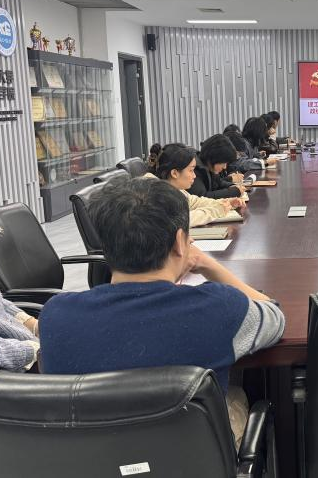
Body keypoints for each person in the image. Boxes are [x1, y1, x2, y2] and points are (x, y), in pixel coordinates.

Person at [39, 178, 285, 447]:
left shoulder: (54, 317)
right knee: (238, 394)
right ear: (181, 241)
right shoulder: (220, 307)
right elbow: (274, 315)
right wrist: (208, 265)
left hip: (92, 458)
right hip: (190, 457)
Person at [146, 143, 243, 226]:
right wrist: (217, 210)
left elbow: (194, 202)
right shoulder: (152, 192)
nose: (194, 176)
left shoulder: (172, 188)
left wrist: (225, 202)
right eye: (191, 170)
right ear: (174, 173)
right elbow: (181, 219)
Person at [189, 134, 246, 199]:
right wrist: (232, 192)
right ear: (214, 157)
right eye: (223, 163)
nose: (224, 167)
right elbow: (202, 197)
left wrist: (235, 186)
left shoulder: (209, 166)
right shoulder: (195, 169)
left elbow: (219, 183)